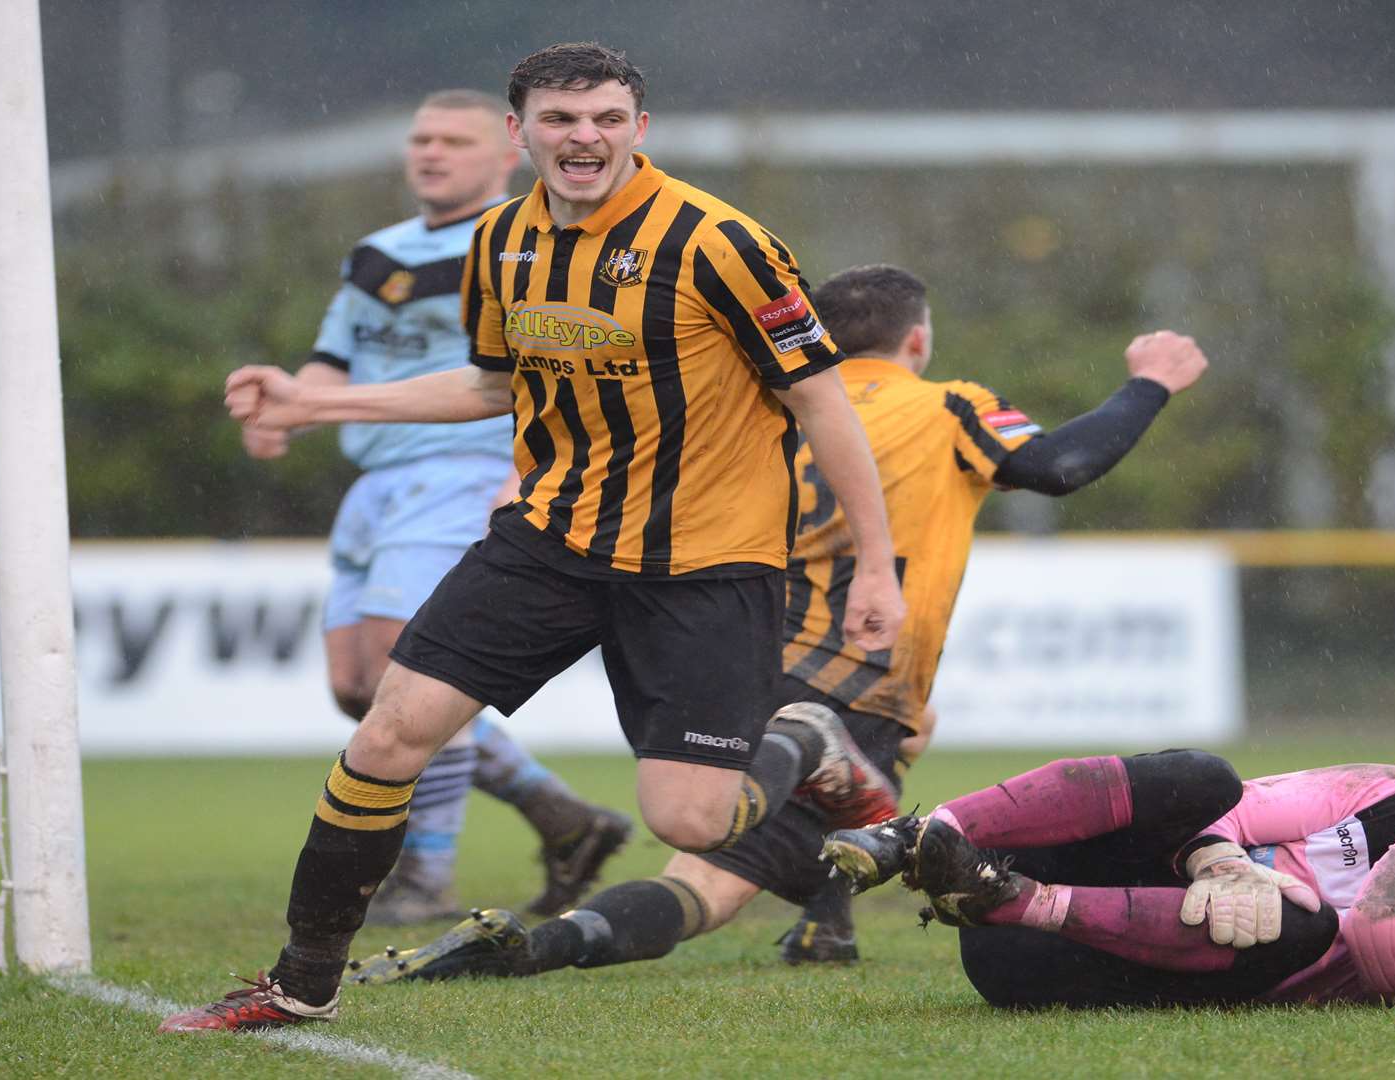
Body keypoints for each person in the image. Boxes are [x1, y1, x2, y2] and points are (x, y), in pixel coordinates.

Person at [161, 42, 908, 1033]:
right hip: (550, 537)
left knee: (688, 819)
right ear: (523, 134)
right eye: (560, 119)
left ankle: (801, 741)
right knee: (388, 731)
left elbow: (821, 401)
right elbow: (489, 383)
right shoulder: (503, 241)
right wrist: (314, 404)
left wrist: (874, 566)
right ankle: (301, 982)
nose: (584, 137)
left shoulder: (721, 242)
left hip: (705, 562)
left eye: (605, 118)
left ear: (640, 129)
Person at [332, 263, 1211, 986]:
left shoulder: (755, 400)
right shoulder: (945, 406)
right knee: (756, 845)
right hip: (851, 671)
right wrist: (1149, 383)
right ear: (918, 339)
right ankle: (793, 818)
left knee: (748, 847)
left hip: (723, 652)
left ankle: (560, 944)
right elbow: (1060, 465)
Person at [250, 88, 631, 928]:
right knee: (357, 689)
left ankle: (425, 877)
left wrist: (523, 475)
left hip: (465, 466)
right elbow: (330, 362)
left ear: (503, 153)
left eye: (453, 140)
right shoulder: (375, 253)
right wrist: (286, 406)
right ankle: (565, 818)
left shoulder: (524, 244)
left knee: (408, 671)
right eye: (421, 138)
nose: (430, 153)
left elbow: (523, 378)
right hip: (377, 478)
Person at [822, 741, 1395, 1009]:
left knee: (1307, 922)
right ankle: (923, 834)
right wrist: (1220, 863)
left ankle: (1003, 898)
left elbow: (1381, 928)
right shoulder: (1394, 788)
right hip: (1111, 871)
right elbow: (1243, 809)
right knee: (1201, 776)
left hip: (1057, 961)